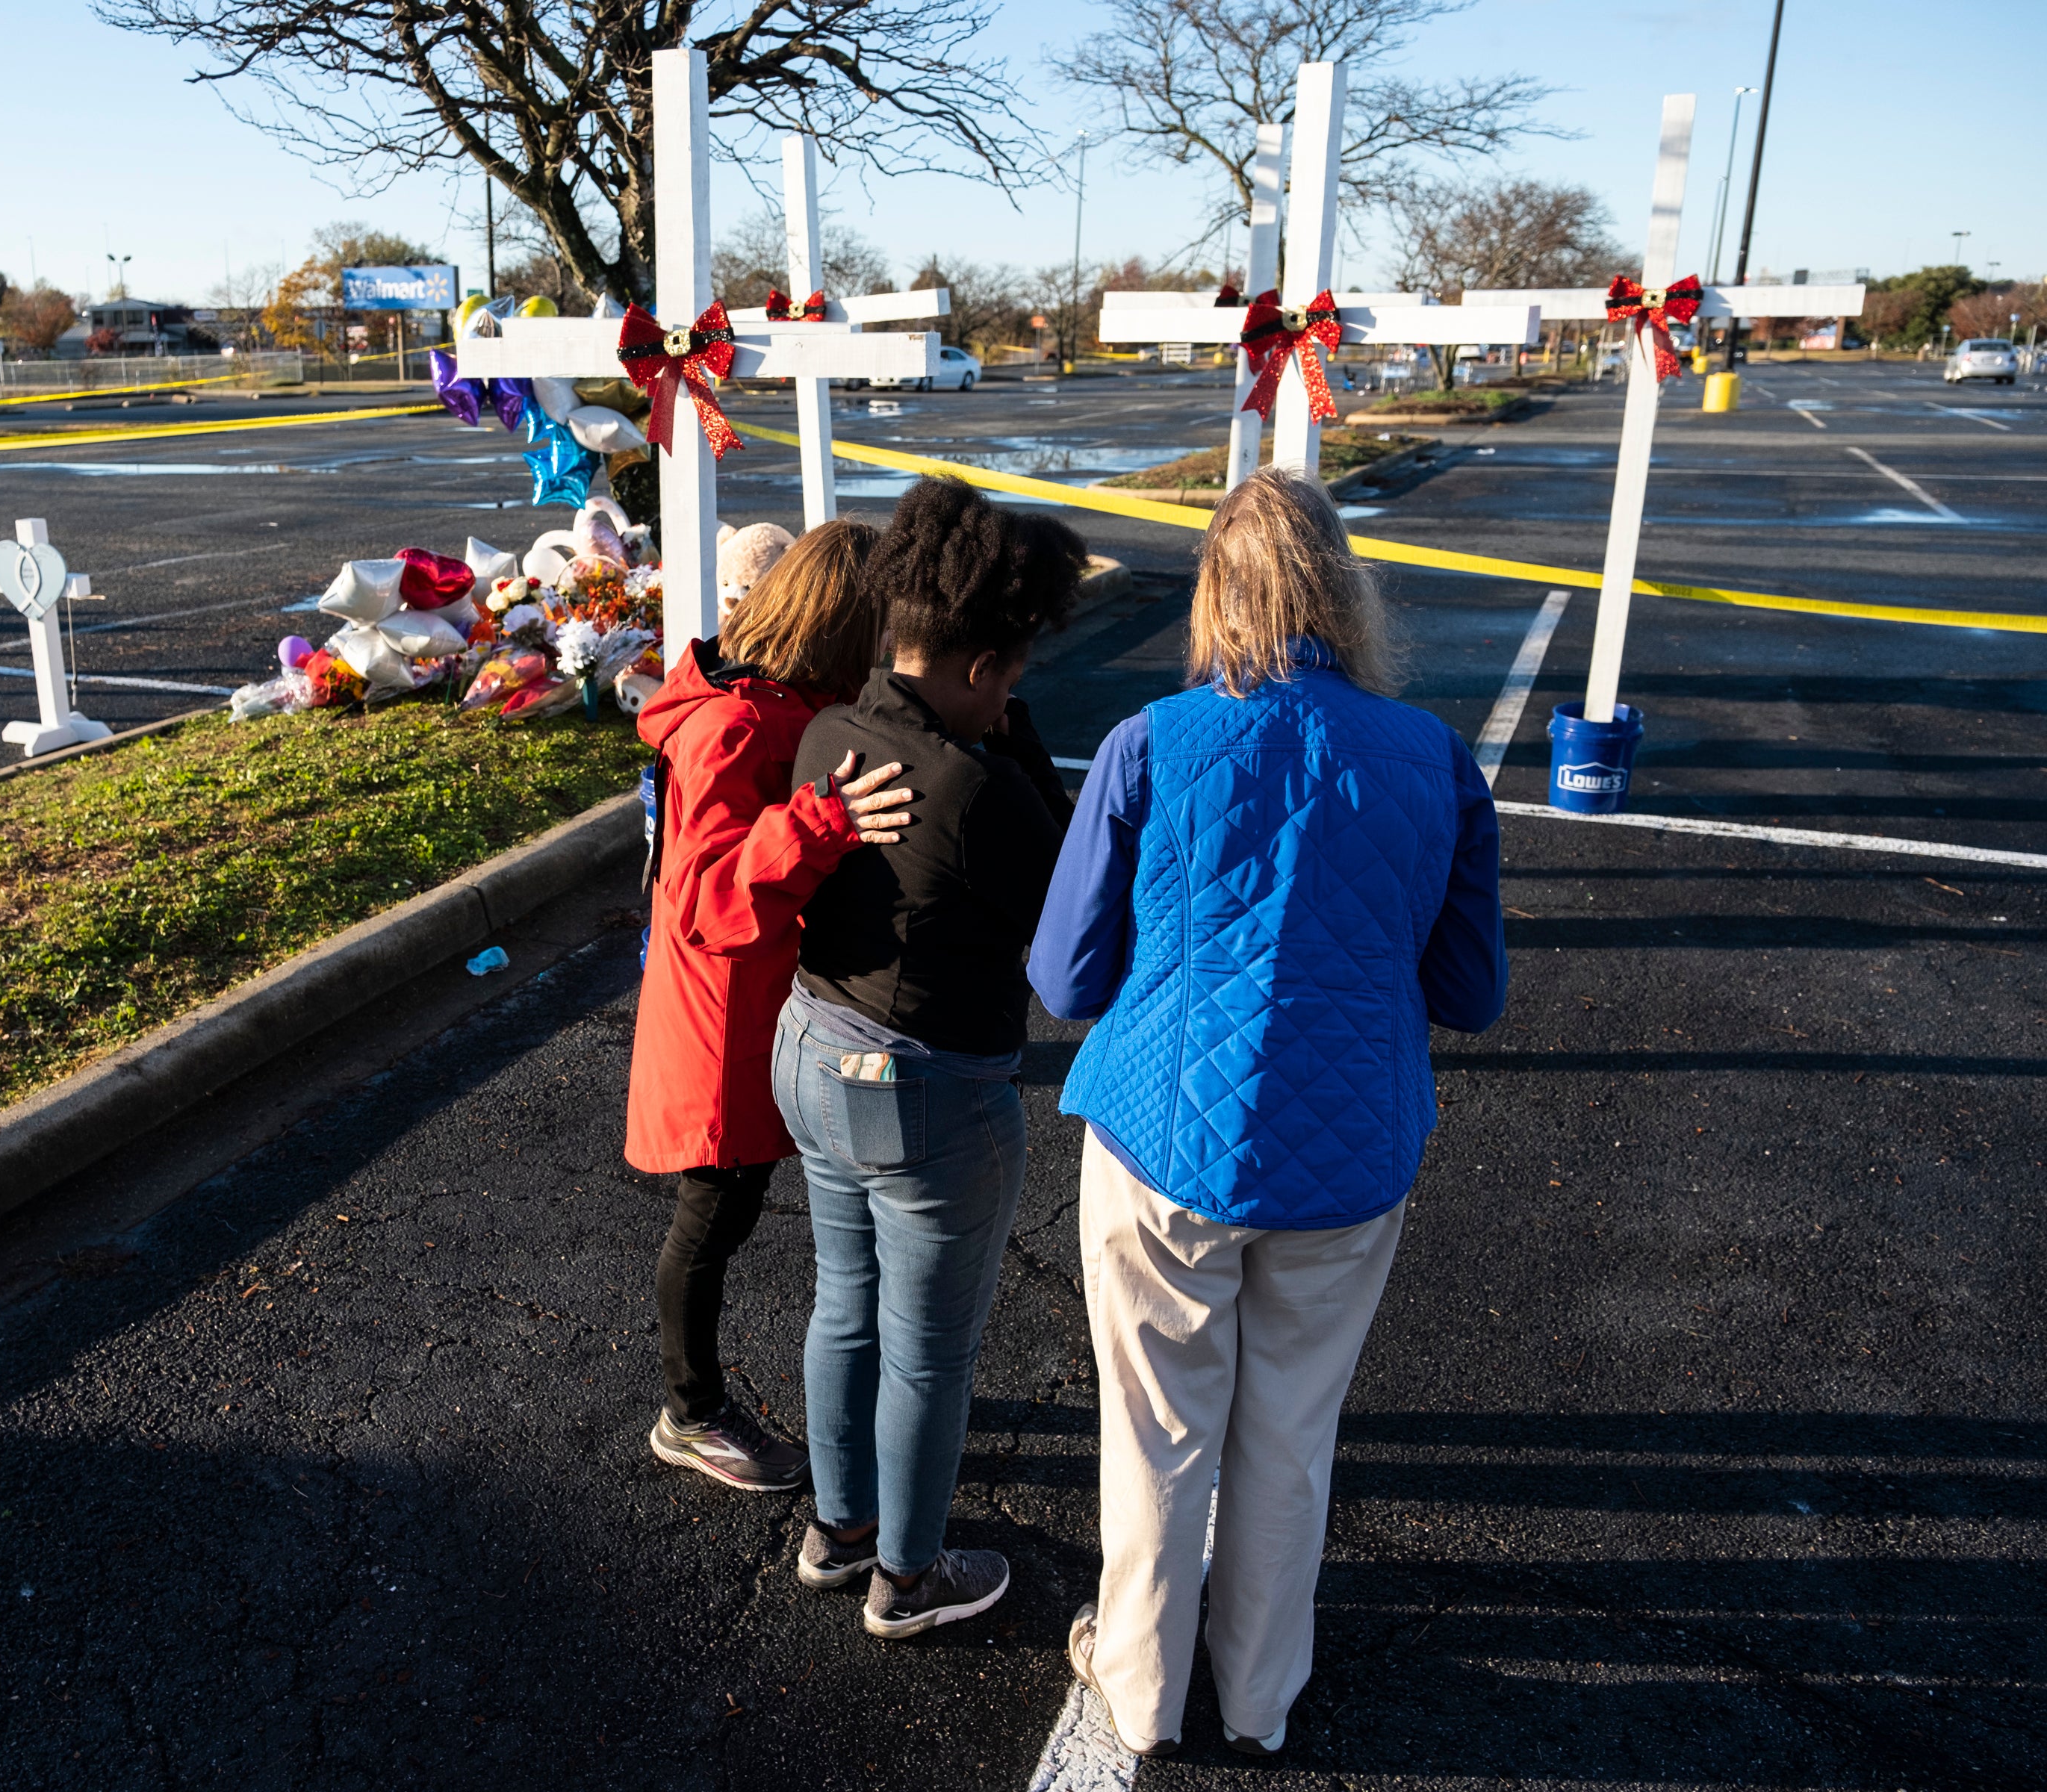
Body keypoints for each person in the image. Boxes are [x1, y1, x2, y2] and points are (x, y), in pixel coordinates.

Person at [1029, 469, 1506, 1758]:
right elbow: (1471, 989)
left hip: (1164, 1142)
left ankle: (1136, 1692)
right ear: (1346, 593)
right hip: (1352, 1148)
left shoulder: (1149, 743)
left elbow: (1066, 976)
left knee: (1156, 1438)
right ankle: (1257, 1701)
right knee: (1291, 1440)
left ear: (1211, 596)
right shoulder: (1433, 760)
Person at [776, 477, 1084, 1639]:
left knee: (843, 1306)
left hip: (809, 1048)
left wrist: (999, 730)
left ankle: (839, 1526)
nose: (1015, 691)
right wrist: (1020, 751)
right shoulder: (970, 789)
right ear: (974, 668)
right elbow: (1065, 923)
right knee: (930, 1354)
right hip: (925, 1093)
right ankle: (906, 1580)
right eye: (1011, 674)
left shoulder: (829, 730)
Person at [628, 519, 916, 1493]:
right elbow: (710, 894)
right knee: (713, 1213)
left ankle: (697, 1401)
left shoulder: (770, 700)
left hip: (755, 1000)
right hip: (723, 1015)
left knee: (732, 1207)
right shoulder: (739, 725)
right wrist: (824, 821)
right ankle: (690, 1410)